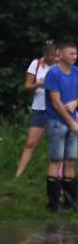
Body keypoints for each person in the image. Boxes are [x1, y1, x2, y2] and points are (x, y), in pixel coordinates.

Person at [43, 40, 78, 211]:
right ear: (61, 54)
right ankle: (54, 203)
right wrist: (72, 122)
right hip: (56, 121)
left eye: (76, 54)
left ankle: (71, 202)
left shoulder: (76, 72)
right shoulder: (54, 73)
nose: (74, 57)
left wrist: (75, 103)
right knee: (56, 160)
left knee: (70, 160)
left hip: (72, 121)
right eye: (71, 53)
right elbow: (55, 102)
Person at [15, 40, 57, 178]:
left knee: (56, 144)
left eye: (52, 53)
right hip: (39, 107)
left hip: (57, 109)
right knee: (30, 143)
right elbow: (27, 86)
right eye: (47, 54)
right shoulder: (36, 64)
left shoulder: (61, 65)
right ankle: (18, 174)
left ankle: (55, 176)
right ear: (44, 53)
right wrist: (38, 84)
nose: (50, 57)